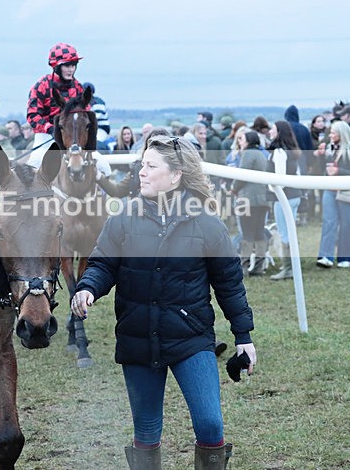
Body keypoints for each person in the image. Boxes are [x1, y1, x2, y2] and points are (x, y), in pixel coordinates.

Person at [70, 135, 256, 470]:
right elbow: (102, 264)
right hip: (138, 338)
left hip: (191, 339)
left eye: (150, 166)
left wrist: (243, 336)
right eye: (142, 164)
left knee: (211, 425)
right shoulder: (123, 218)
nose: (141, 172)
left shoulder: (208, 225)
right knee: (146, 431)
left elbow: (230, 285)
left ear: (175, 176)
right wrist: (88, 288)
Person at [25, 42, 85, 166]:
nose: (71, 69)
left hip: (73, 136)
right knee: (34, 163)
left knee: (103, 165)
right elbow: (32, 115)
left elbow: (85, 114)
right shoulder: (42, 85)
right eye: (67, 65)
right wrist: (50, 128)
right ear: (56, 66)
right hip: (46, 136)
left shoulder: (78, 87)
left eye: (74, 65)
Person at [315, 121, 350, 268]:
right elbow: (325, 169)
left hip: (346, 191)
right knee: (329, 222)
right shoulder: (331, 148)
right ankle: (325, 256)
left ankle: (347, 258)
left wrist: (339, 171)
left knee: (347, 224)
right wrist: (321, 157)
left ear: (342, 134)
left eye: (333, 132)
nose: (330, 135)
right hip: (330, 189)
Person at [266, 121, 302, 281]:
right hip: (294, 195)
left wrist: (271, 190)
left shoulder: (279, 151)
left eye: (272, 129)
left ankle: (288, 269)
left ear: (279, 132)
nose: (269, 132)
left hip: (283, 197)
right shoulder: (292, 150)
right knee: (290, 232)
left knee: (284, 234)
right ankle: (291, 267)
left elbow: (278, 179)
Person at [233, 131, 270, 276]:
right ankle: (259, 266)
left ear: (248, 141)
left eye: (242, 139)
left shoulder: (248, 154)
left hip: (248, 199)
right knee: (259, 233)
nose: (240, 142)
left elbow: (242, 175)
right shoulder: (261, 154)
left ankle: (244, 267)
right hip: (262, 200)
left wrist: (233, 188)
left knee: (247, 233)